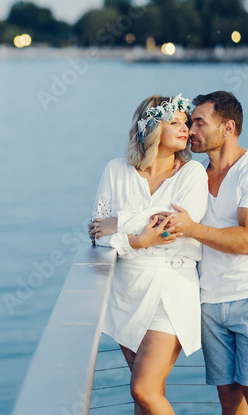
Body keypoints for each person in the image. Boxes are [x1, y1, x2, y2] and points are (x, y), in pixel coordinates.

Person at [163, 91, 248, 415]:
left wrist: (191, 228)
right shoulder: (195, 176)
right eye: (191, 123)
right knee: (229, 401)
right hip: (209, 300)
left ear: (228, 127)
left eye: (199, 123)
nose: (191, 131)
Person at [88, 94, 209, 415]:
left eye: (187, 122)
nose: (185, 128)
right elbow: (99, 235)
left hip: (170, 292)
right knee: (150, 394)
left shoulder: (192, 173)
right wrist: (140, 240)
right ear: (151, 126)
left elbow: (174, 228)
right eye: (175, 121)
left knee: (142, 388)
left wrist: (122, 225)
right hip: (125, 292)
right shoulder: (115, 170)